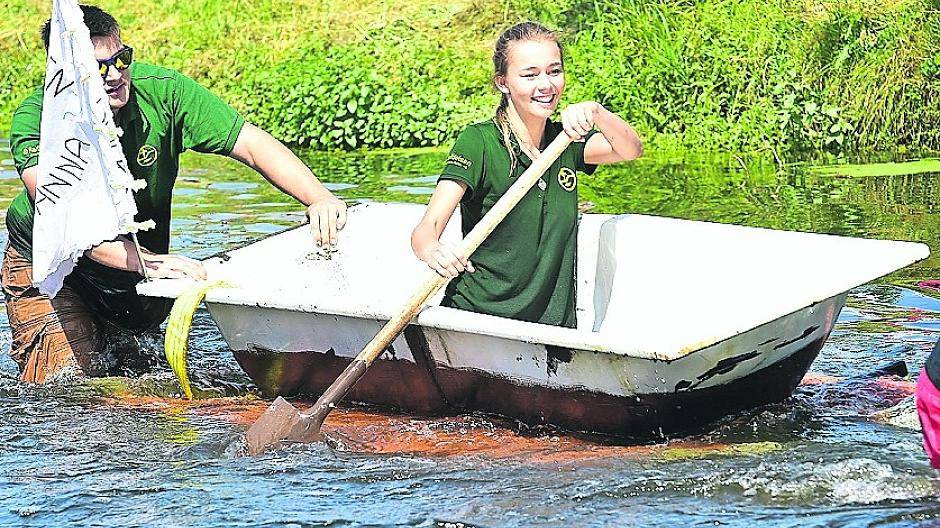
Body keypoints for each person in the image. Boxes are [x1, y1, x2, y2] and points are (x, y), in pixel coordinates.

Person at [4, 5, 347, 383]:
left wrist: (319, 197)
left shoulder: (163, 93)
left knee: (141, 379)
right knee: (73, 391)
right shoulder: (37, 123)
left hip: (135, 267)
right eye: (99, 68)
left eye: (122, 59)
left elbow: (249, 143)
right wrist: (151, 263)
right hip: (54, 269)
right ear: (67, 76)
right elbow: (67, 225)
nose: (116, 75)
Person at [411, 21, 643, 328]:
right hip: (479, 320)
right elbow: (427, 229)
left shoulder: (565, 142)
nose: (546, 85)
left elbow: (630, 149)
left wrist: (597, 112)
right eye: (530, 75)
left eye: (554, 71)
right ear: (503, 82)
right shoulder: (479, 142)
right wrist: (433, 251)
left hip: (552, 328)